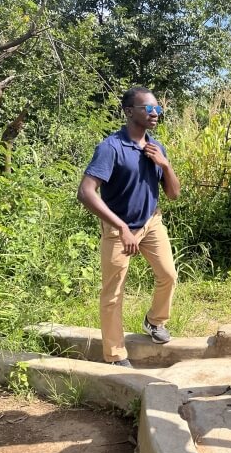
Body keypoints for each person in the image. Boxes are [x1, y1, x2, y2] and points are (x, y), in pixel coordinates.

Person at [77, 86, 180, 367]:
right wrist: (121, 228)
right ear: (129, 112)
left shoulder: (157, 147)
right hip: (117, 229)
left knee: (168, 275)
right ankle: (115, 355)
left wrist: (165, 164)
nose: (155, 113)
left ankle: (154, 321)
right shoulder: (110, 148)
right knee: (113, 293)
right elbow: (85, 192)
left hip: (151, 222)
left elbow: (173, 194)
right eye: (148, 108)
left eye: (157, 108)